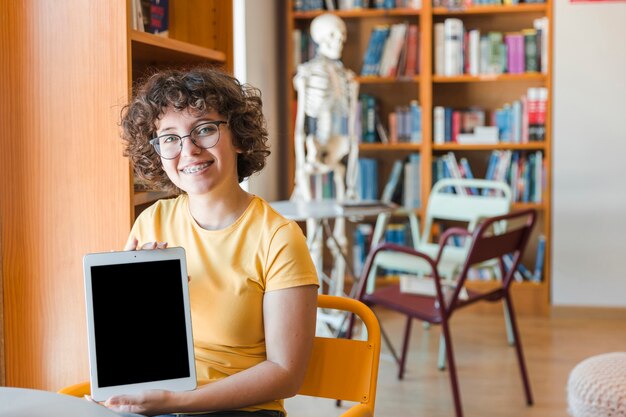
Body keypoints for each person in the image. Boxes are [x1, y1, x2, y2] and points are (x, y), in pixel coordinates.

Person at [106, 66, 319, 417]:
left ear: (237, 136)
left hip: (242, 410)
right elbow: (130, 350)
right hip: (157, 402)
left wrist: (176, 403)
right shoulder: (153, 221)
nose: (187, 150)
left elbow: (286, 375)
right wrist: (133, 302)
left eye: (203, 130)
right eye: (170, 138)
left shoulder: (279, 238)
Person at [292, 13, 360, 298]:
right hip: (311, 154)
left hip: (337, 151)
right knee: (315, 236)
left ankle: (342, 299)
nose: (339, 42)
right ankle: (314, 300)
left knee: (340, 236)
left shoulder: (347, 78)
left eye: (342, 36)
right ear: (318, 39)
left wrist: (354, 178)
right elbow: (299, 127)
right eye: (333, 36)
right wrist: (300, 162)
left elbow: (353, 131)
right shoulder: (306, 74)